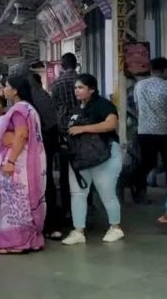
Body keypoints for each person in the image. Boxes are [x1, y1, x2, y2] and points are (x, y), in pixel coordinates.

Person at [0, 75, 47, 254]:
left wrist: (10, 161)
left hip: (18, 162)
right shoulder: (29, 108)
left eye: (6, 86)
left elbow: (21, 135)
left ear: (15, 90)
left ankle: (14, 242)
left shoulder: (19, 110)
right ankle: (26, 240)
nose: (3, 89)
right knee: (23, 201)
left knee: (13, 202)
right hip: (24, 161)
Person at [62, 74, 125, 245]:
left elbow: (111, 124)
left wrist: (83, 129)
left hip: (104, 157)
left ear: (92, 89)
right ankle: (78, 230)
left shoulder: (103, 105)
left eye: (81, 87)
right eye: (75, 88)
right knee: (77, 194)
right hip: (80, 158)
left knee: (107, 193)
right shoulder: (76, 109)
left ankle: (115, 227)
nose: (77, 90)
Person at [11, 63, 63, 240]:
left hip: (39, 146)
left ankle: (46, 223)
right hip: (46, 143)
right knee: (45, 183)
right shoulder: (42, 94)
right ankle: (50, 223)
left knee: (41, 184)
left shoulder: (28, 100)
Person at [132, 57, 167, 221]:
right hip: (164, 131)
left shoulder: (139, 85)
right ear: (164, 70)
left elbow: (138, 109)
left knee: (146, 163)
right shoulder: (166, 86)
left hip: (144, 130)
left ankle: (139, 192)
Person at [50, 53, 78, 225]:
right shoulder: (82, 79)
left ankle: (67, 206)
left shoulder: (57, 83)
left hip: (64, 128)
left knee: (65, 169)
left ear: (61, 65)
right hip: (83, 125)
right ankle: (87, 202)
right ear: (76, 64)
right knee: (83, 165)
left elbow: (54, 106)